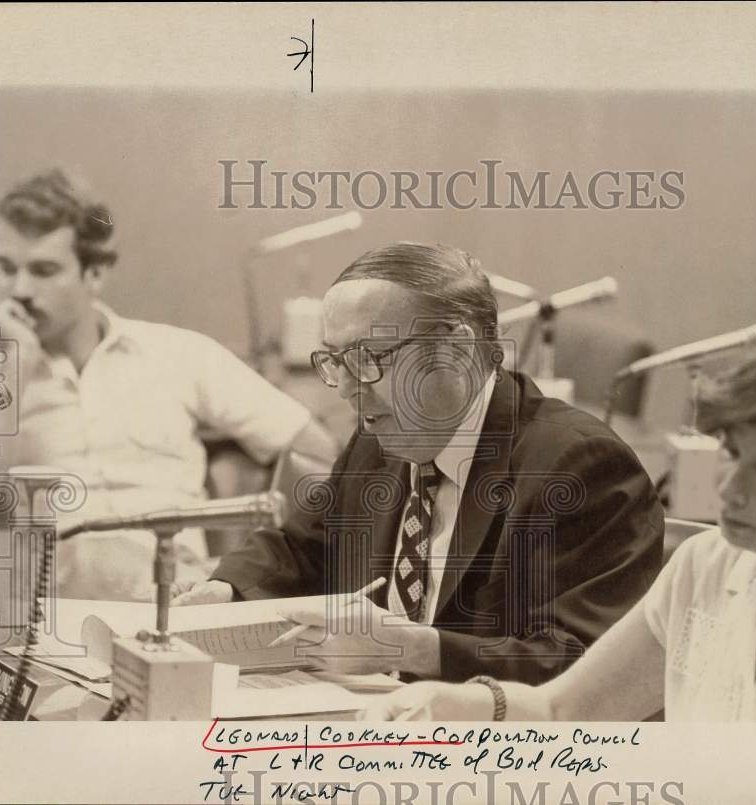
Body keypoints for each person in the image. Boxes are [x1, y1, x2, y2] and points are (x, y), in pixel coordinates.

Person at [365, 329, 756, 721]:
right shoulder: (704, 566)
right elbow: (564, 709)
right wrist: (453, 704)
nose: (728, 488)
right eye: (730, 451)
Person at [174, 241, 665, 684]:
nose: (346, 387)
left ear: (457, 346)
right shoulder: (380, 437)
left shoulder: (578, 466)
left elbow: (583, 663)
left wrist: (413, 648)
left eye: (368, 357)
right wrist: (224, 589)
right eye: (335, 361)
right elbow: (303, 548)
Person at [0, 168, 326, 601]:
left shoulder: (177, 354)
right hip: (48, 605)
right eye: (6, 268)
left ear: (95, 273)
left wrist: (258, 567)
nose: (20, 289)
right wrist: (6, 374)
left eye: (44, 270)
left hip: (176, 588)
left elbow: (318, 453)